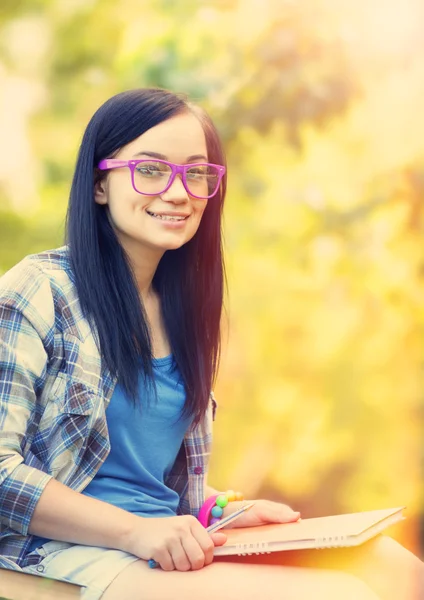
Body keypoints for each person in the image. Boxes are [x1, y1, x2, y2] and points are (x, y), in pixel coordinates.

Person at [0, 88, 422, 600]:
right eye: (151, 169)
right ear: (99, 185)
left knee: (397, 569)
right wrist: (136, 530)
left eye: (195, 173)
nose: (178, 192)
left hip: (160, 545)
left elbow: (140, 477)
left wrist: (216, 510)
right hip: (56, 555)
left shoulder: (181, 308)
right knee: (337, 593)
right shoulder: (39, 289)